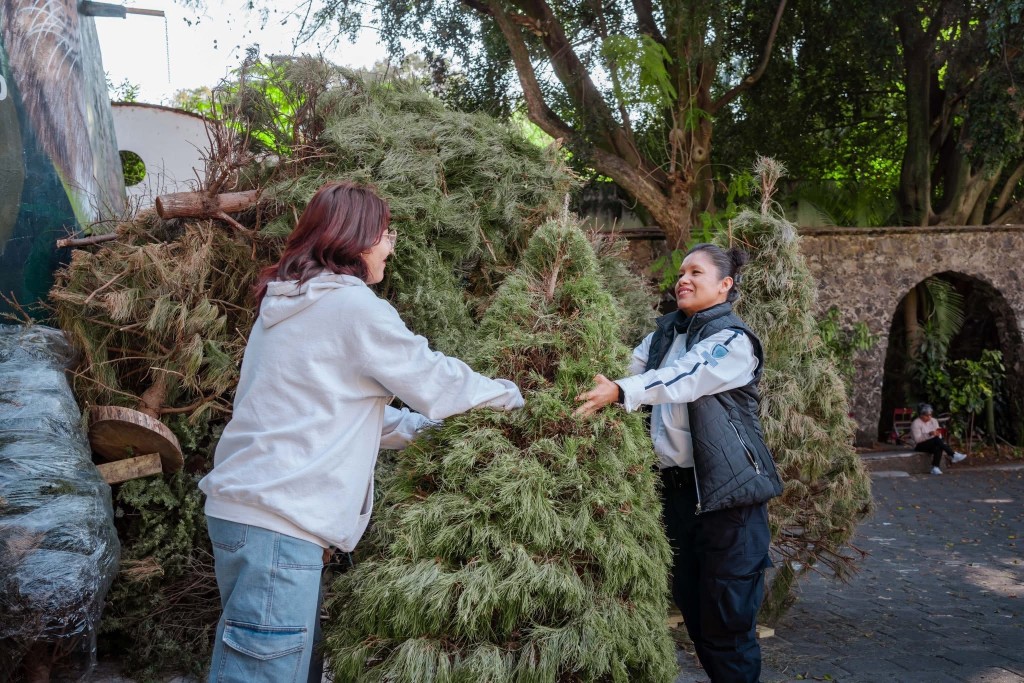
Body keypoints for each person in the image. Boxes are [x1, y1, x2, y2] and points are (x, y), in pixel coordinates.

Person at [198, 181, 525, 683]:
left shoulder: (289, 305)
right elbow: (434, 377)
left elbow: (329, 410)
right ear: (356, 236)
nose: (392, 245)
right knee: (260, 672)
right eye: (386, 232)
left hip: (245, 514)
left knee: (277, 660)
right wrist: (510, 395)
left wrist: (421, 431)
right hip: (280, 525)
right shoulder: (350, 307)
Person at [575, 243, 783, 683]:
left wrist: (621, 390)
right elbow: (622, 368)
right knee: (696, 614)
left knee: (727, 622)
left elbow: (687, 377)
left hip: (729, 501)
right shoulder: (663, 335)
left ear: (725, 286)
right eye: (681, 272)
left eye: (697, 272)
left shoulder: (733, 341)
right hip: (676, 495)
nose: (683, 280)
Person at [911, 403, 966, 475]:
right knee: (936, 440)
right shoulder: (916, 423)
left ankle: (935, 468)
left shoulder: (934, 421)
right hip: (920, 445)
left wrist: (937, 434)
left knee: (938, 445)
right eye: (927, 416)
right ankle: (953, 455)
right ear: (921, 415)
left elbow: (938, 435)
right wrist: (929, 434)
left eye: (930, 415)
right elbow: (917, 440)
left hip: (934, 442)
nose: (929, 417)